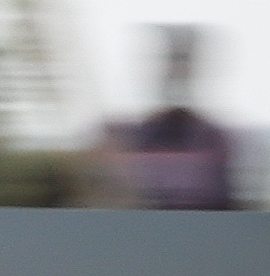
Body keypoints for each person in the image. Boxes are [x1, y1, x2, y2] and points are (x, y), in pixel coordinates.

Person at [93, 26, 241, 209]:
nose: (176, 70)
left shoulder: (212, 138)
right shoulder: (130, 136)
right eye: (171, 61)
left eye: (182, 61)